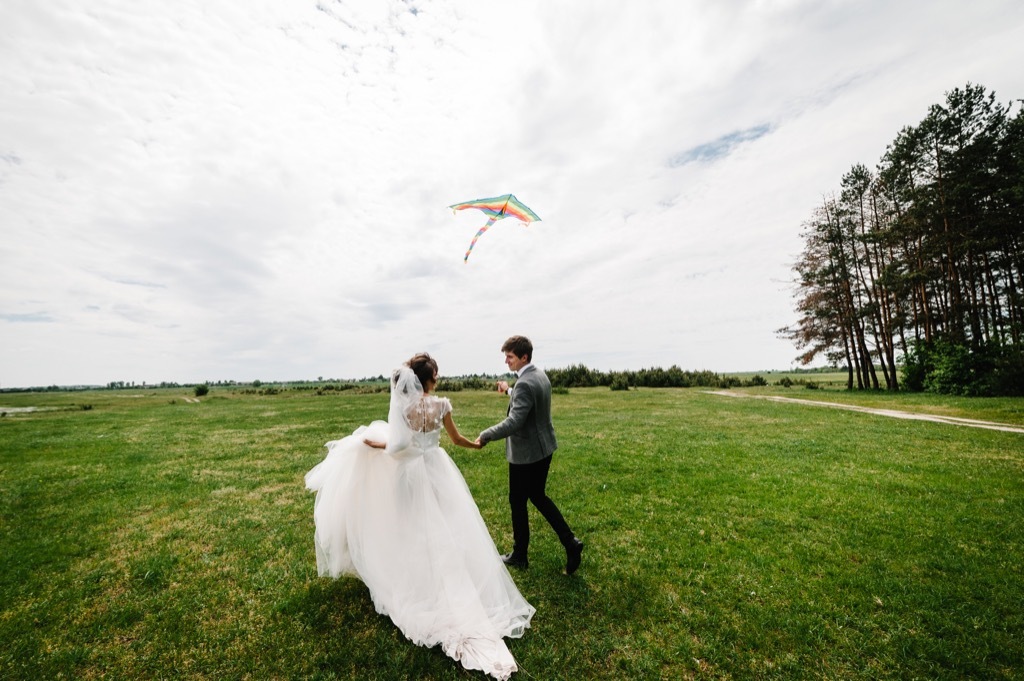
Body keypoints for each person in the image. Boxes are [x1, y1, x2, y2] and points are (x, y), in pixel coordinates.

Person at [305, 353, 535, 680]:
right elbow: (455, 440)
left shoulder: (404, 408)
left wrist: (371, 442)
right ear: (431, 377)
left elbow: (397, 445)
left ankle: (414, 578)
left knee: (410, 526)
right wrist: (477, 443)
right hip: (438, 468)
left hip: (410, 474)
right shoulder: (442, 405)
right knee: (447, 524)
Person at [476, 336, 584, 575]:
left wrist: (485, 435)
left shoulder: (525, 383)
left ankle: (520, 555)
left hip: (526, 455)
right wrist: (508, 390)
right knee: (537, 496)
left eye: (510, 356)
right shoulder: (539, 375)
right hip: (544, 449)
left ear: (524, 357)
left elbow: (515, 421)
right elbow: (525, 396)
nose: (506, 361)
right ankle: (570, 543)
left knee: (518, 501)